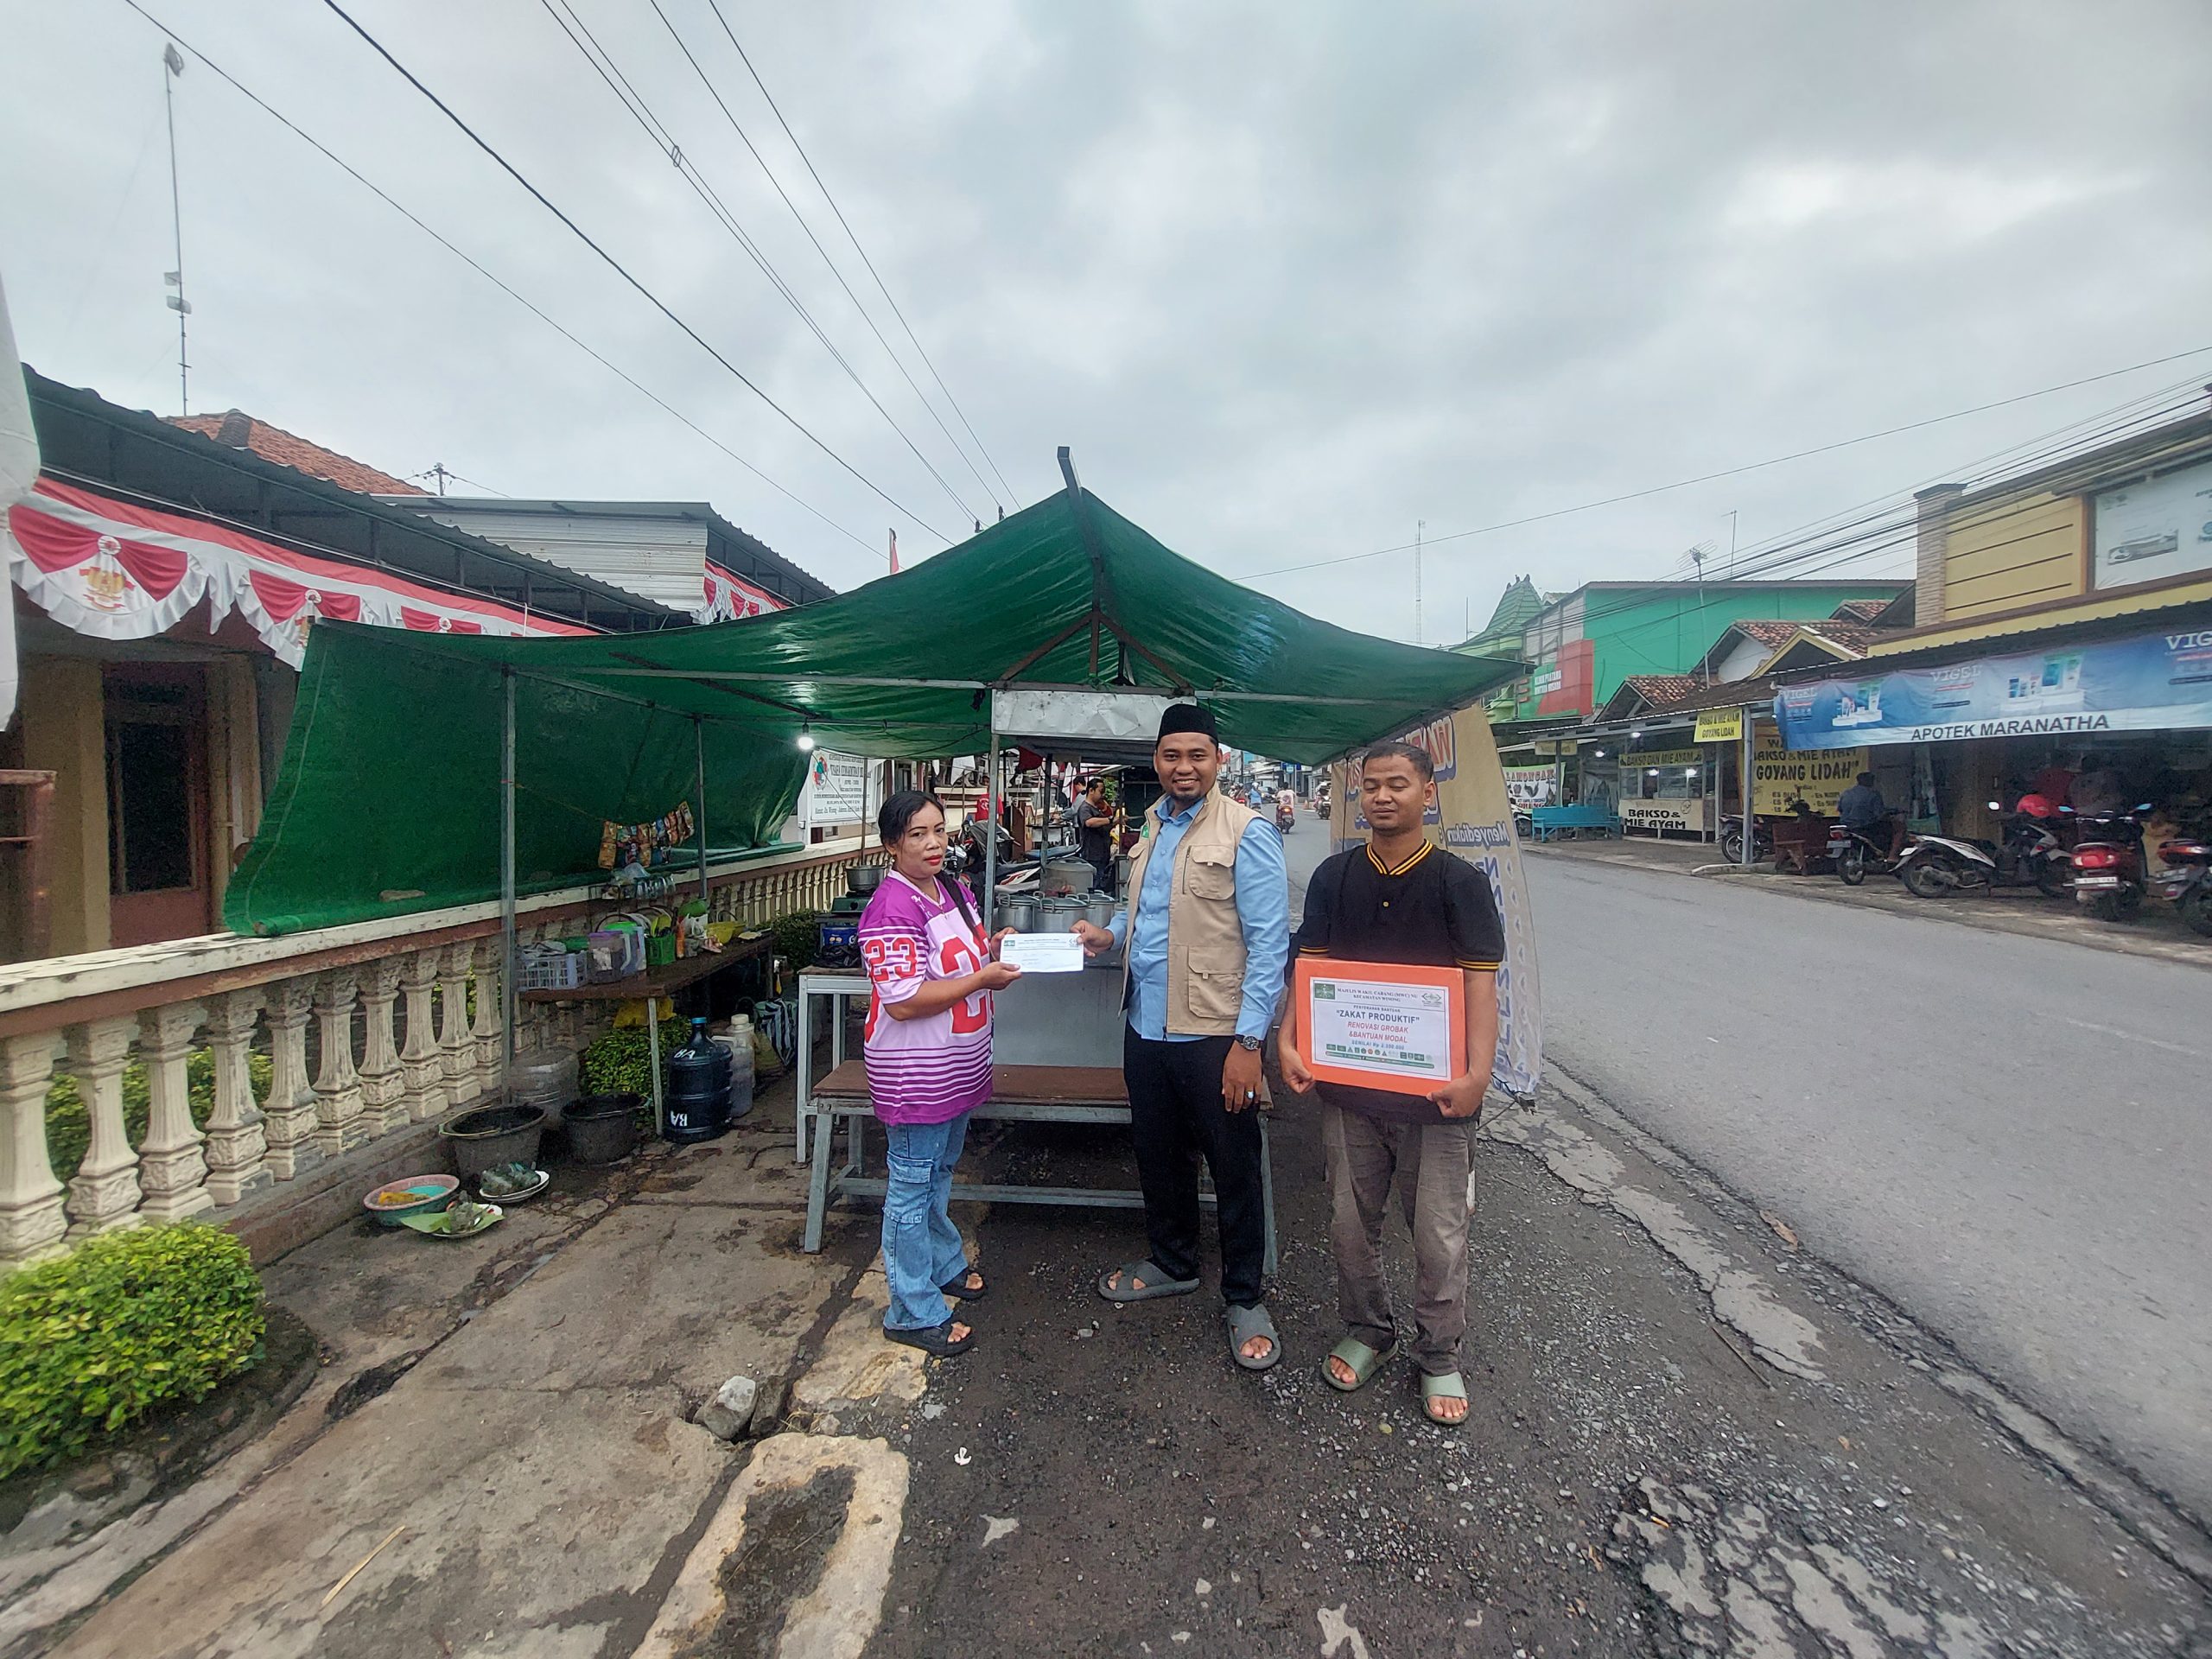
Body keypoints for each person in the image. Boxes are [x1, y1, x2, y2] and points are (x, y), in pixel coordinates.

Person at [1277, 741, 1502, 1427]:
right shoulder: (1334, 876)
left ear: (1428, 793)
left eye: (1397, 784)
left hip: (1437, 1099)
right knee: (1349, 1224)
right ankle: (1370, 1329)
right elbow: (1309, 969)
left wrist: (1477, 1075)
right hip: (1350, 1091)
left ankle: (1439, 1353)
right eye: (1371, 785)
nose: (1381, 796)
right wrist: (1288, 1039)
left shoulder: (1459, 883)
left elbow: (1481, 987)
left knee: (1438, 1235)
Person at [1071, 702, 1291, 1372]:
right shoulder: (1150, 827)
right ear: (1157, 760)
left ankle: (1245, 1297)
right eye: (1172, 755)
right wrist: (1110, 936)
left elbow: (1269, 945)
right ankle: (1172, 1261)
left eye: (1197, 755)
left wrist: (1249, 1045)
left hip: (1215, 1031)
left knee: (1233, 1164)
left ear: (1217, 760)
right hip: (1146, 1023)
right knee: (1158, 1152)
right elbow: (1147, 914)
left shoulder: (1247, 831)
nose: (1184, 767)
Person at [857, 790, 1021, 1358]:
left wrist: (993, 949)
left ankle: (943, 1263)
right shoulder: (890, 909)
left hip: (957, 1065)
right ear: (891, 845)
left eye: (939, 831)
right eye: (917, 834)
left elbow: (961, 959)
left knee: (941, 1171)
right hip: (916, 1071)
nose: (933, 844)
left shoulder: (952, 888)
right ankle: (911, 1309)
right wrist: (982, 979)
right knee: (910, 1186)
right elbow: (903, 1001)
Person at [1071, 778, 1117, 894]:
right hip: (1092, 854)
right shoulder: (1085, 808)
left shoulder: (1097, 808)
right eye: (1100, 791)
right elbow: (1089, 822)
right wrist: (1110, 820)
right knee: (1093, 887)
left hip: (1102, 853)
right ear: (1091, 790)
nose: (1102, 795)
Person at [1836, 772, 1900, 854]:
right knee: (1894, 829)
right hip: (1865, 827)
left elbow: (1840, 809)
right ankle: (1890, 854)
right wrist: (1891, 813)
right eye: (1872, 780)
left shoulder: (1846, 793)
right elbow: (1879, 814)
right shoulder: (1873, 794)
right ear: (1868, 781)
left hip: (1846, 827)